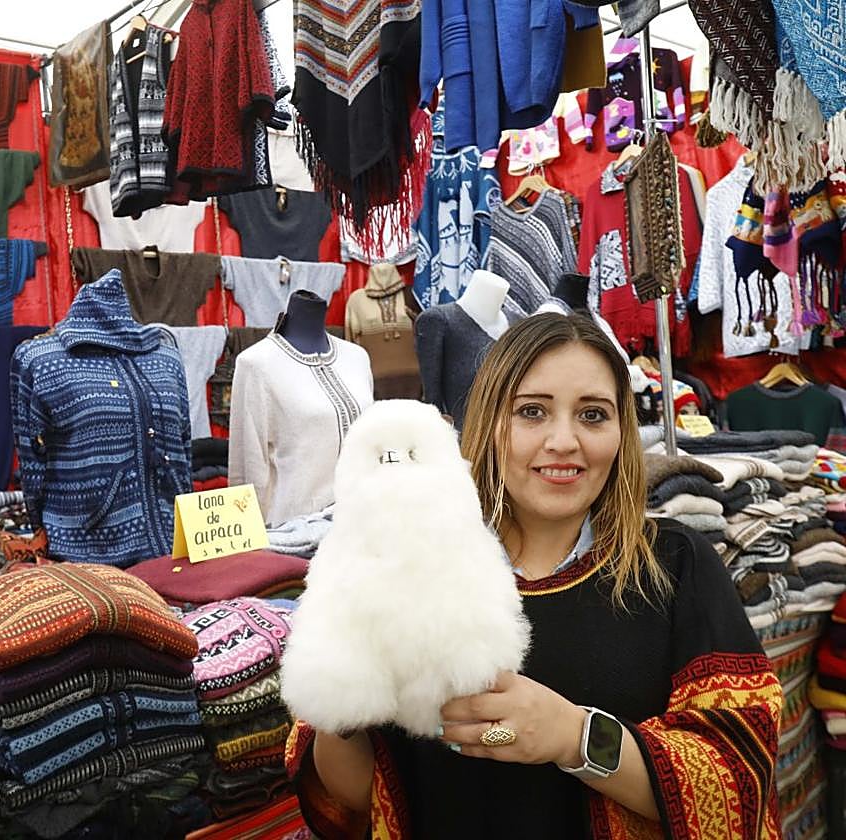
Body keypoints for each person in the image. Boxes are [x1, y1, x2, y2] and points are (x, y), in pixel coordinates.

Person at [284, 313, 781, 838]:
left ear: (621, 432)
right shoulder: (405, 562)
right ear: (493, 422)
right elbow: (352, 803)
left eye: (592, 414)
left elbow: (738, 779)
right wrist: (342, 691)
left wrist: (573, 736)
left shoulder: (675, 566)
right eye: (532, 412)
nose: (563, 441)